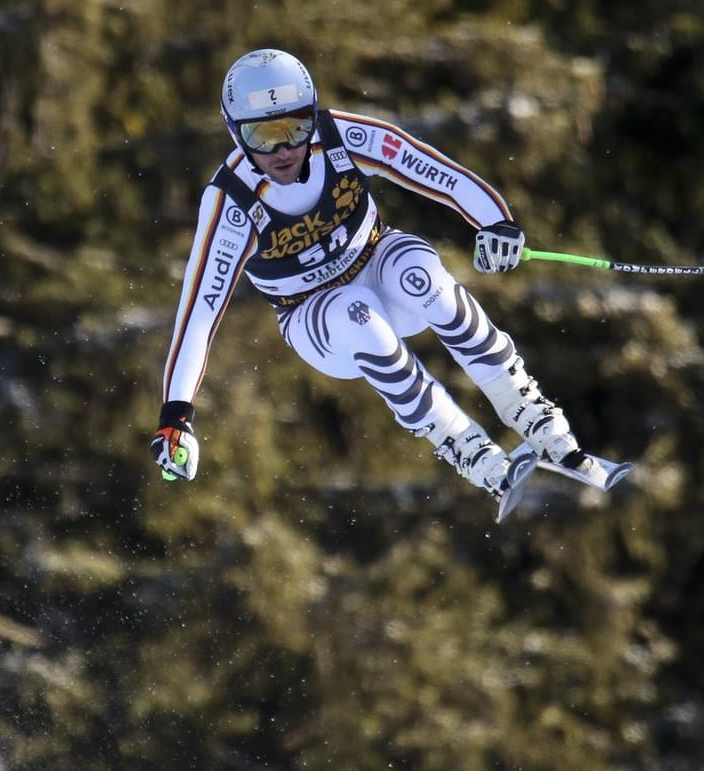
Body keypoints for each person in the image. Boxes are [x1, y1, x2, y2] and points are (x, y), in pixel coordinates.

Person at [151, 48, 616, 516]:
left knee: (417, 272)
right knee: (357, 312)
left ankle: (537, 420)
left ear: (311, 115)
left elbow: (435, 171)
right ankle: (472, 452)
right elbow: (199, 313)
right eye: (262, 136)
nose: (283, 150)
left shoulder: (341, 136)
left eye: (294, 128)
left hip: (378, 264)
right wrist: (177, 415)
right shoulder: (232, 201)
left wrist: (496, 223)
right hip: (317, 318)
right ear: (236, 132)